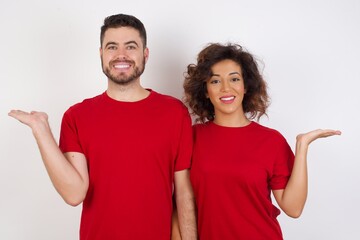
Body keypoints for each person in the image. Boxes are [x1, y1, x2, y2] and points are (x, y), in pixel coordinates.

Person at [9, 14, 197, 240]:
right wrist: (41, 131)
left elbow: (184, 194)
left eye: (131, 46)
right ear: (101, 54)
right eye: (112, 47)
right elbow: (74, 193)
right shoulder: (77, 116)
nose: (121, 55)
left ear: (145, 54)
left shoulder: (174, 113)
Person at [179, 43, 341, 239]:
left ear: (245, 86)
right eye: (215, 81)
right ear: (205, 90)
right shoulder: (192, 136)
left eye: (234, 79)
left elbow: (293, 208)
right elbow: (180, 200)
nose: (226, 88)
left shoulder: (271, 141)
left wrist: (302, 146)